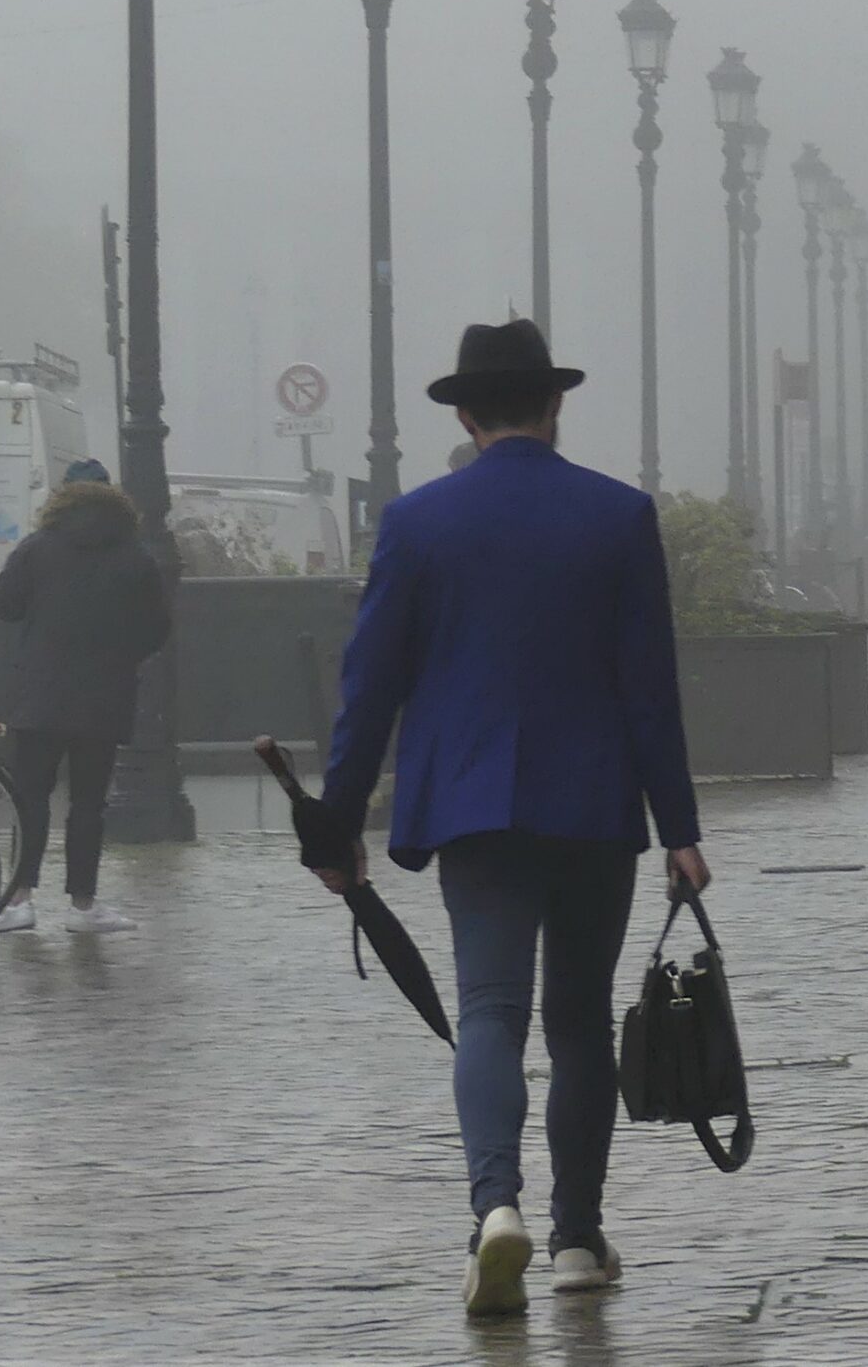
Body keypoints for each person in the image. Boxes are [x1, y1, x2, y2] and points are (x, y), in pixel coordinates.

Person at [305, 319, 709, 1319]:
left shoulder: (417, 523)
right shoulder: (618, 515)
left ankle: (495, 1207)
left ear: (465, 412)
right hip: (592, 803)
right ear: (554, 404)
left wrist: (336, 819)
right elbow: (649, 686)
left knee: (488, 1011)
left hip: (473, 807)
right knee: (577, 1022)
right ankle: (577, 1238)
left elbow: (372, 685)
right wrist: (681, 828)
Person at [0, 459, 169, 936]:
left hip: (40, 696)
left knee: (30, 798)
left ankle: (20, 900)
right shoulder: (136, 555)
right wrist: (119, 655)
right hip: (103, 697)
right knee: (89, 803)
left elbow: (4, 606)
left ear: (63, 496)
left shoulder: (37, 549)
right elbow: (157, 628)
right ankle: (83, 907)